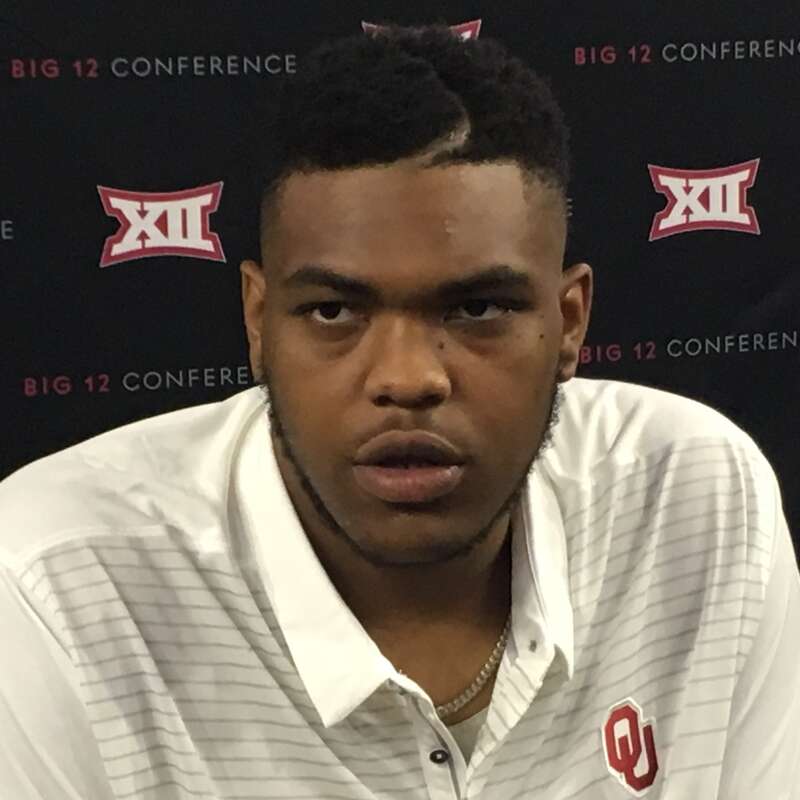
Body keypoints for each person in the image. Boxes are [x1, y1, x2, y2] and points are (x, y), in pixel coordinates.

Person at [1, 23, 798, 800]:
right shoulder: (53, 585)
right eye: (333, 312)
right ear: (256, 320)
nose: (409, 379)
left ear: (570, 324)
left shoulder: (695, 499)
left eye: (479, 308)